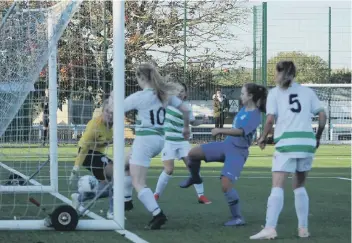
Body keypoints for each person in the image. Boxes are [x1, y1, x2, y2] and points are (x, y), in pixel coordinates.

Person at [249, 61, 327, 240]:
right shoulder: (307, 92)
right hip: (307, 142)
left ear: (279, 73)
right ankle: (303, 229)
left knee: (277, 186)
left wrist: (262, 138)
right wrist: (318, 136)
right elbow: (322, 115)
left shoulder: (275, 93)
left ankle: (270, 228)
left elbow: (269, 120)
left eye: (276, 73)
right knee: (299, 186)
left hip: (287, 143)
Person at [179, 83, 268, 226]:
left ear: (250, 96)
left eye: (243, 94)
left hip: (238, 153)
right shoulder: (245, 109)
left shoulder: (256, 115)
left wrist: (220, 131)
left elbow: (241, 131)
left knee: (225, 185)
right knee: (193, 154)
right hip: (226, 145)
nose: (240, 96)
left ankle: (238, 218)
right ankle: (194, 178)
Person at [122, 63, 191, 230]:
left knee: (138, 182)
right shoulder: (164, 94)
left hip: (145, 140)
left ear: (141, 78)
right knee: (125, 165)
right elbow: (186, 110)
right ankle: (126, 201)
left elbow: (118, 109)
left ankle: (157, 214)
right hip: (159, 140)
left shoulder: (139, 96)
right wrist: (186, 127)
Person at [154, 83, 211, 204]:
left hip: (183, 143)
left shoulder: (187, 107)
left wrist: (203, 120)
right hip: (168, 142)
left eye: (182, 91)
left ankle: (201, 196)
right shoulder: (166, 104)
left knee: (193, 168)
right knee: (168, 170)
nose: (179, 93)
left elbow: (193, 122)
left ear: (185, 94)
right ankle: (156, 195)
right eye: (177, 90)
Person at [69, 98, 117, 219]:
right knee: (115, 174)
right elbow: (83, 147)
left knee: (108, 184)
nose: (110, 115)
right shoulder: (94, 126)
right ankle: (112, 212)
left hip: (98, 155)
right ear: (102, 111)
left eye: (113, 112)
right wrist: (76, 167)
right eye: (107, 111)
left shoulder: (112, 126)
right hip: (87, 154)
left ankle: (80, 197)